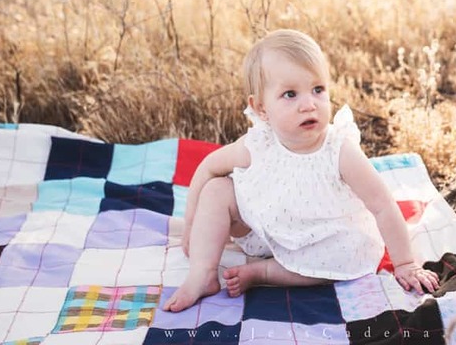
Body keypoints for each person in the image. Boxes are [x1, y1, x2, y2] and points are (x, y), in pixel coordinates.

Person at [164, 29, 439, 312]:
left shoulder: (339, 151)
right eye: (290, 94)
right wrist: (191, 227)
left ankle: (265, 273)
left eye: (318, 89)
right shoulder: (259, 143)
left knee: (343, 257)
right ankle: (203, 273)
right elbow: (207, 167)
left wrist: (405, 263)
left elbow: (382, 205)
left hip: (320, 241)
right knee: (217, 190)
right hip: (264, 229)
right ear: (261, 108)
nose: (308, 104)